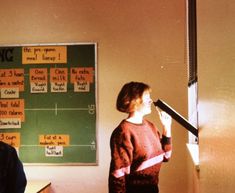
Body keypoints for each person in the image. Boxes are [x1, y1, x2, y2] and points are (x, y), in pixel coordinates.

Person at [108, 81, 172, 193]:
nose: (150, 101)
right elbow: (118, 174)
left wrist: (167, 127)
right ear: (133, 101)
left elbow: (166, 156)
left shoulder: (150, 126)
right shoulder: (123, 132)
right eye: (147, 97)